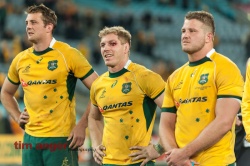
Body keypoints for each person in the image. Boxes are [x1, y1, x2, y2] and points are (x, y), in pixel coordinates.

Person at [130, 11, 244, 166]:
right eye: (183, 31)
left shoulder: (226, 68)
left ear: (209, 37)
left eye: (192, 31)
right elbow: (166, 125)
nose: (185, 35)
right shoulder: (175, 77)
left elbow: (224, 121)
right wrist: (175, 157)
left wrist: (184, 154)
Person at [0, 4, 98, 166]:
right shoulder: (20, 59)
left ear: (49, 27)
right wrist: (17, 116)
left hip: (61, 138)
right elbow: (5, 93)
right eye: (27, 23)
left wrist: (82, 125)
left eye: (33, 23)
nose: (28, 27)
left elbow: (100, 88)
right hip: (30, 140)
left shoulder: (68, 54)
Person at [88, 26, 165, 165]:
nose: (106, 48)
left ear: (126, 47)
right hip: (108, 163)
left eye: (113, 44)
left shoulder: (145, 77)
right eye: (103, 45)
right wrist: (95, 145)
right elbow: (93, 118)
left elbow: (176, 113)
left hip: (138, 162)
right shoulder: (98, 84)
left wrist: (159, 148)